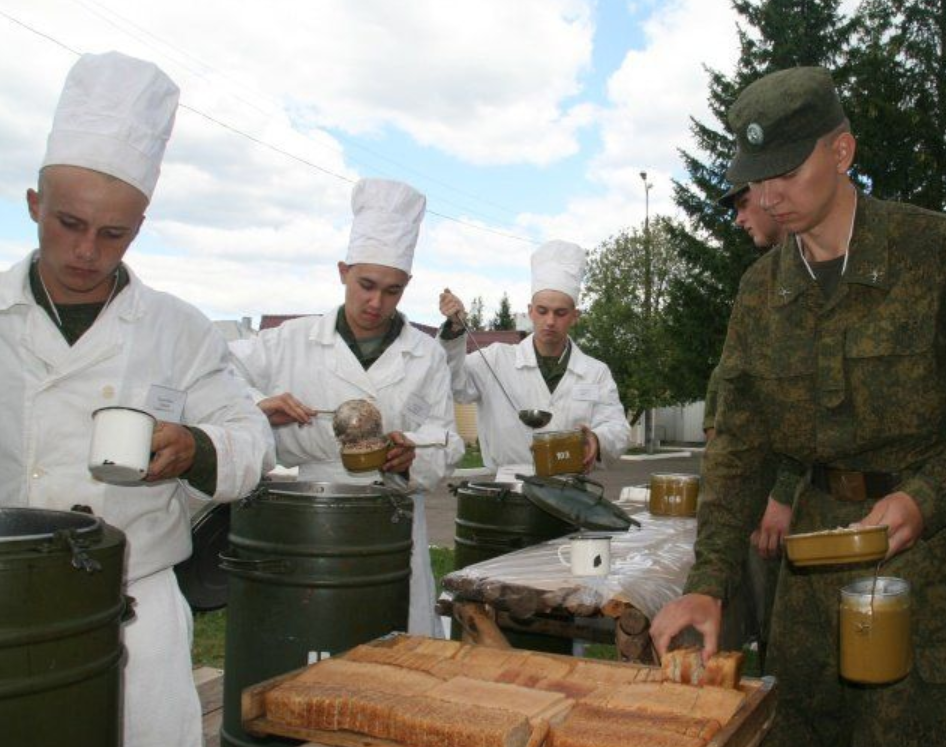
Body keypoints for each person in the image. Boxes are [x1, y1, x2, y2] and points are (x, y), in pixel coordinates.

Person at [650, 67, 946, 747]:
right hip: (807, 577)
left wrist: (928, 496)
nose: (767, 194)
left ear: (840, 151)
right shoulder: (760, 293)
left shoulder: (937, 254)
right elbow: (738, 449)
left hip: (919, 570)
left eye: (783, 169)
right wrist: (709, 582)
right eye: (755, 177)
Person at [0, 52, 274, 747]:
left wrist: (195, 447)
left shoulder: (177, 329)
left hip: (135, 602)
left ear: (140, 227)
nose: (87, 250)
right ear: (33, 204)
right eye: (68, 223)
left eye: (113, 233)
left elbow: (251, 439)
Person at [229, 178, 463, 637]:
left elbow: (449, 441)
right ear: (343, 271)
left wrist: (414, 453)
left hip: (396, 516)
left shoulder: (426, 354)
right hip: (315, 518)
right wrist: (258, 405)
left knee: (399, 643)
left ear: (407, 286)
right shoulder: (292, 341)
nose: (376, 303)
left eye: (392, 291)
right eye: (366, 285)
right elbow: (217, 372)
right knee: (320, 637)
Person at [437, 240, 630, 478]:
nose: (550, 321)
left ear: (575, 316)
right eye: (542, 311)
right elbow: (453, 383)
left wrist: (597, 439)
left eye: (560, 313)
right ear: (530, 311)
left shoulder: (595, 372)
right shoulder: (496, 360)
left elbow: (618, 429)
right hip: (510, 489)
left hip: (570, 490)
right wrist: (455, 329)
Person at [706, 182, 793, 663]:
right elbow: (732, 391)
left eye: (742, 203)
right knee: (778, 640)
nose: (738, 218)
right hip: (760, 489)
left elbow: (809, 411)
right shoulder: (761, 283)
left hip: (802, 502)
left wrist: (782, 492)